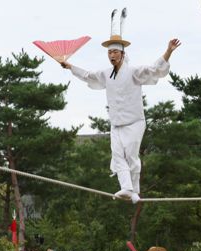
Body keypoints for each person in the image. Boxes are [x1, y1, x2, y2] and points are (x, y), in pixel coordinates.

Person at [61, 8, 180, 203]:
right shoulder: (106, 74)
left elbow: (154, 69)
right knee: (117, 157)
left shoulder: (133, 71)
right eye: (109, 52)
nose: (111, 55)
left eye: (115, 51)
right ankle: (126, 188)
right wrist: (70, 66)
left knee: (130, 156)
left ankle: (134, 190)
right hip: (116, 124)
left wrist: (168, 51)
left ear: (123, 54)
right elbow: (88, 76)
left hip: (134, 122)